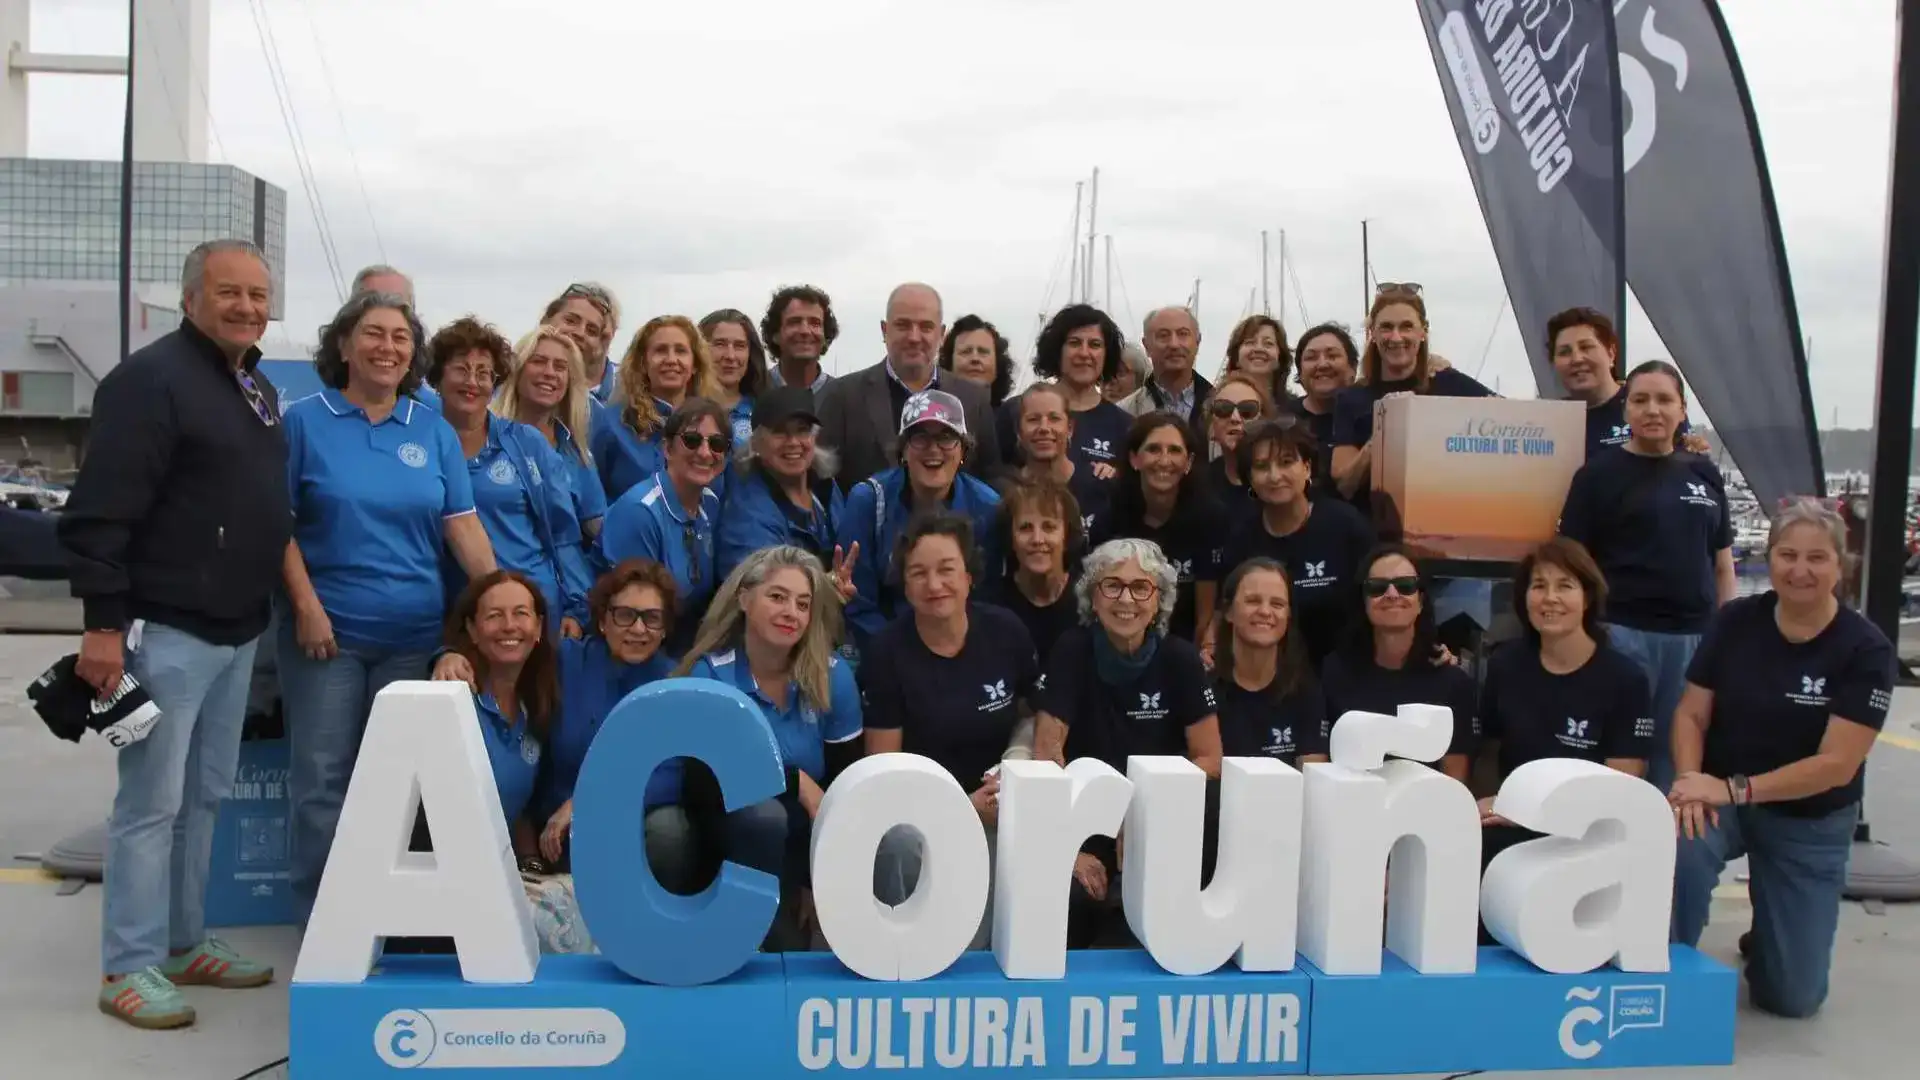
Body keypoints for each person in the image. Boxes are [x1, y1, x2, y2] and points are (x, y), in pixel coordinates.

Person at [61, 239, 287, 1029]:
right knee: (149, 806)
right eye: (229, 292)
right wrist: (102, 627)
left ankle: (185, 942)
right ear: (192, 298)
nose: (246, 307)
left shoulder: (252, 385)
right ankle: (128, 966)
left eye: (258, 295)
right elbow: (99, 516)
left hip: (235, 630)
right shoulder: (149, 382)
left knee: (205, 798)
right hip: (166, 632)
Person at [280, 291, 497, 922]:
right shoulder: (304, 421)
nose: (388, 348)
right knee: (322, 785)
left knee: (398, 791)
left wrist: (509, 603)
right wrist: (306, 606)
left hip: (413, 640)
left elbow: (463, 528)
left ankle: (385, 920)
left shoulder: (431, 430)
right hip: (330, 639)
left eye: (400, 338)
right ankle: (323, 927)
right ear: (344, 346)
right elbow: (278, 526)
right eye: (373, 334)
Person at [1670, 498, 1894, 1019]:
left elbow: (1836, 764)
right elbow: (1691, 716)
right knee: (1680, 847)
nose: (1799, 570)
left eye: (1817, 558)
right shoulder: (1735, 622)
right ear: (1768, 559)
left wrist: (1733, 790)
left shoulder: (1866, 651)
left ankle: (1771, 933)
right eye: (1787, 555)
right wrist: (1688, 779)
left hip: (1809, 819)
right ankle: (1669, 964)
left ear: (1842, 566)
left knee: (1792, 999)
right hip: (1719, 798)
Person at [1033, 538, 1223, 948]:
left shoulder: (1180, 659)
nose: (1127, 599)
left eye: (1141, 588)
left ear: (1159, 601)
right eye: (1112, 585)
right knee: (1067, 898)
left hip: (1159, 821)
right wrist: (1068, 847)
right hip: (1087, 823)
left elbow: (1210, 759)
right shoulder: (1072, 651)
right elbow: (1046, 756)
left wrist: (1142, 816)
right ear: (1093, 598)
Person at [435, 560, 680, 877]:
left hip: (624, 829)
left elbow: (674, 775)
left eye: (652, 618)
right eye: (624, 615)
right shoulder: (565, 661)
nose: (637, 628)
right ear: (603, 620)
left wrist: (592, 800)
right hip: (550, 838)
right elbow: (509, 651)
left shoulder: (675, 683)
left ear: (665, 629)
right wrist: (446, 654)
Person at [1558, 360, 1736, 792]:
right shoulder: (1597, 476)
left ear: (1681, 409)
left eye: (1663, 400)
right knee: (1619, 755)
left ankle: (1669, 851)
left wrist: (1726, 637)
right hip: (1622, 634)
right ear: (1626, 411)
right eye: (1639, 400)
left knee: (1677, 757)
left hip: (1693, 641)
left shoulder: (1704, 474)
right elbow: (1572, 563)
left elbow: (1722, 565)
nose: (1652, 409)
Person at [860, 514, 1039, 943]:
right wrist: (962, 806)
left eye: (946, 570)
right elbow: (883, 770)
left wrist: (1016, 767)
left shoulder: (1005, 631)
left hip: (1001, 804)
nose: (934, 584)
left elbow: (1038, 716)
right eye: (918, 573)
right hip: (919, 812)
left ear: (970, 576)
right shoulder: (886, 652)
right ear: (904, 586)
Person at [679, 546, 864, 949]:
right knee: (763, 816)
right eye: (777, 597)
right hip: (724, 843)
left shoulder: (833, 678)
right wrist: (792, 780)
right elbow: (702, 784)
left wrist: (815, 881)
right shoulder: (710, 674)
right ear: (744, 598)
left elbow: (842, 785)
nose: (791, 613)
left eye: (803, 604)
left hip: (801, 852)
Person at [1476, 539, 1653, 918]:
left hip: (1587, 833)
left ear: (1587, 598)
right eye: (1539, 586)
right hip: (1509, 827)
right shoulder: (1505, 665)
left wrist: (1527, 809)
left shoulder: (1625, 679)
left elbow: (1624, 783)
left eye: (1565, 586)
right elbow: (1489, 751)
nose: (1549, 598)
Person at [427, 317, 591, 638]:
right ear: (438, 378)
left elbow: (563, 534)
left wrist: (577, 605)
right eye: (461, 369)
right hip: (450, 609)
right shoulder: (418, 442)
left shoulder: (527, 443)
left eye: (484, 373)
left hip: (532, 604)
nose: (472, 382)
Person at [838, 389, 1002, 656]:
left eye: (946, 437)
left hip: (963, 646)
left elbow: (987, 596)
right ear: (903, 450)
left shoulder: (988, 506)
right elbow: (859, 603)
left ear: (962, 450)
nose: (933, 449)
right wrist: (906, 654)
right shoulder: (868, 500)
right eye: (920, 437)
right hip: (884, 645)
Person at [1216, 419, 1374, 669]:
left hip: (1346, 670)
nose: (1275, 476)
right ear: (1250, 478)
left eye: (1286, 462)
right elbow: (1225, 616)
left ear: (1307, 468)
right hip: (1267, 675)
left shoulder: (1346, 526)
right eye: (1261, 466)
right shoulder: (1241, 538)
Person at [815, 282, 1001, 490]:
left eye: (925, 327)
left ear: (941, 335)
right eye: (903, 325)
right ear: (885, 330)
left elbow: (991, 477)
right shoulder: (843, 397)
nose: (914, 337)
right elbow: (821, 481)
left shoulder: (973, 400)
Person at [1318, 545, 1476, 782]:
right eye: (1378, 587)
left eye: (1405, 586)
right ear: (1364, 601)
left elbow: (1455, 783)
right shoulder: (1334, 672)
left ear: (1421, 601)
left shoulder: (1452, 682)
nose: (1392, 594)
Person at [1329, 287, 1495, 507]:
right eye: (1386, 327)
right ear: (1372, 334)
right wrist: (1379, 439)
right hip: (1375, 530)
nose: (1396, 337)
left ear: (1423, 332)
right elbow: (1344, 486)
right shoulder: (1352, 398)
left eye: (1406, 327)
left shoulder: (1451, 383)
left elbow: (1510, 419)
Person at [600, 398, 730, 657]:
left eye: (716, 444)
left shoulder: (710, 504)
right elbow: (632, 621)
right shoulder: (639, 511)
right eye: (692, 440)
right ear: (667, 448)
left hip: (682, 645)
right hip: (636, 651)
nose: (705, 453)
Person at [1090, 412, 1226, 643]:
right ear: (1134, 459)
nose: (1164, 460)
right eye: (1153, 449)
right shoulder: (1110, 520)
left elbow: (1206, 614)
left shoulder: (1209, 517)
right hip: (1124, 641)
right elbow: (1100, 601)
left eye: (1174, 451)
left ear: (1189, 463)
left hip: (1188, 643)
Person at [493, 326, 608, 563]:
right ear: (518, 370)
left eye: (560, 367)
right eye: (538, 362)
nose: (549, 373)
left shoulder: (575, 452)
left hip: (566, 587)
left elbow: (597, 526)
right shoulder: (486, 438)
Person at [715, 385, 846, 582]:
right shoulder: (746, 514)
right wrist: (833, 583)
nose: (793, 442)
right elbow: (767, 591)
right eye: (780, 432)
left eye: (802, 430)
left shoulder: (824, 487)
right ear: (756, 443)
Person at [1210, 558, 1328, 766]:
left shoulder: (1305, 692)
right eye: (1253, 600)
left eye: (1277, 604)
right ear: (1228, 612)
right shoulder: (1204, 689)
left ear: (1288, 615)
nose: (1265, 612)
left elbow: (1312, 779)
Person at [591, 315, 721, 502]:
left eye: (681, 351)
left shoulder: (715, 427)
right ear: (643, 363)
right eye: (660, 351)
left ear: (694, 365)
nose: (671, 359)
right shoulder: (612, 423)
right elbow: (593, 501)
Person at [1547, 307, 1699, 458]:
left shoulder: (1649, 402)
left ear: (1611, 353)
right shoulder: (1549, 422)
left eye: (1586, 347)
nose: (1577, 359)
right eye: (1564, 352)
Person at [1011, 304, 1133, 472]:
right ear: (1057, 350)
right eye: (1074, 343)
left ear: (1107, 354)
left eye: (1095, 345)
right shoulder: (1016, 410)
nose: (1084, 353)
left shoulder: (1125, 426)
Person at [986, 477, 1084, 664]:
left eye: (1049, 527)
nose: (1037, 539)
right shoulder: (990, 605)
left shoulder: (1090, 601)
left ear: (1067, 535)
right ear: (1011, 539)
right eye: (1025, 528)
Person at [1001, 381, 1113, 535]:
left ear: (1070, 429)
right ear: (1019, 431)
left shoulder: (1102, 488)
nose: (1044, 428)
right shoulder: (1005, 493)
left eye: (1054, 418)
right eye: (1033, 419)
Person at [1289, 322, 1360, 497]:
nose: (1322, 364)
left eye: (1332, 355)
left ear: (1353, 368)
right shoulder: (1283, 419)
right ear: (1299, 371)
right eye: (1311, 357)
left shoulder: (1372, 416)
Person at [1118, 306, 1214, 432]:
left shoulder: (1222, 408)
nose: (1174, 344)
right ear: (1146, 346)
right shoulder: (1124, 412)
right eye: (1163, 336)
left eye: (1183, 334)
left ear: (1198, 342)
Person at [1199, 372, 1274, 516]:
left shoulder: (1282, 477)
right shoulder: (1200, 485)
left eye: (1248, 410)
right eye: (1223, 409)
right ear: (1212, 427)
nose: (1235, 418)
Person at [540, 282, 622, 403]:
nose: (579, 333)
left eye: (592, 330)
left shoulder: (630, 390)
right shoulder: (511, 375)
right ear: (546, 320)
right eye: (570, 321)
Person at [700, 308, 769, 445]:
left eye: (739, 346)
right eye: (720, 344)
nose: (730, 356)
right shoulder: (681, 409)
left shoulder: (765, 413)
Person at [761, 284, 838, 392]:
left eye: (815, 323)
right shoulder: (753, 393)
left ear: (825, 335)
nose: (805, 331)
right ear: (775, 335)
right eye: (794, 322)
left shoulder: (842, 397)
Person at [938, 314, 1015, 408]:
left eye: (983, 352)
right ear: (949, 363)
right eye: (966, 352)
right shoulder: (930, 414)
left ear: (998, 364)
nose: (975, 358)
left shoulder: (1012, 419)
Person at [1219, 314, 1293, 410]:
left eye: (1268, 344)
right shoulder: (1217, 404)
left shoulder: (1293, 411)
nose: (1259, 349)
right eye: (1250, 342)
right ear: (1236, 357)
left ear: (1280, 357)